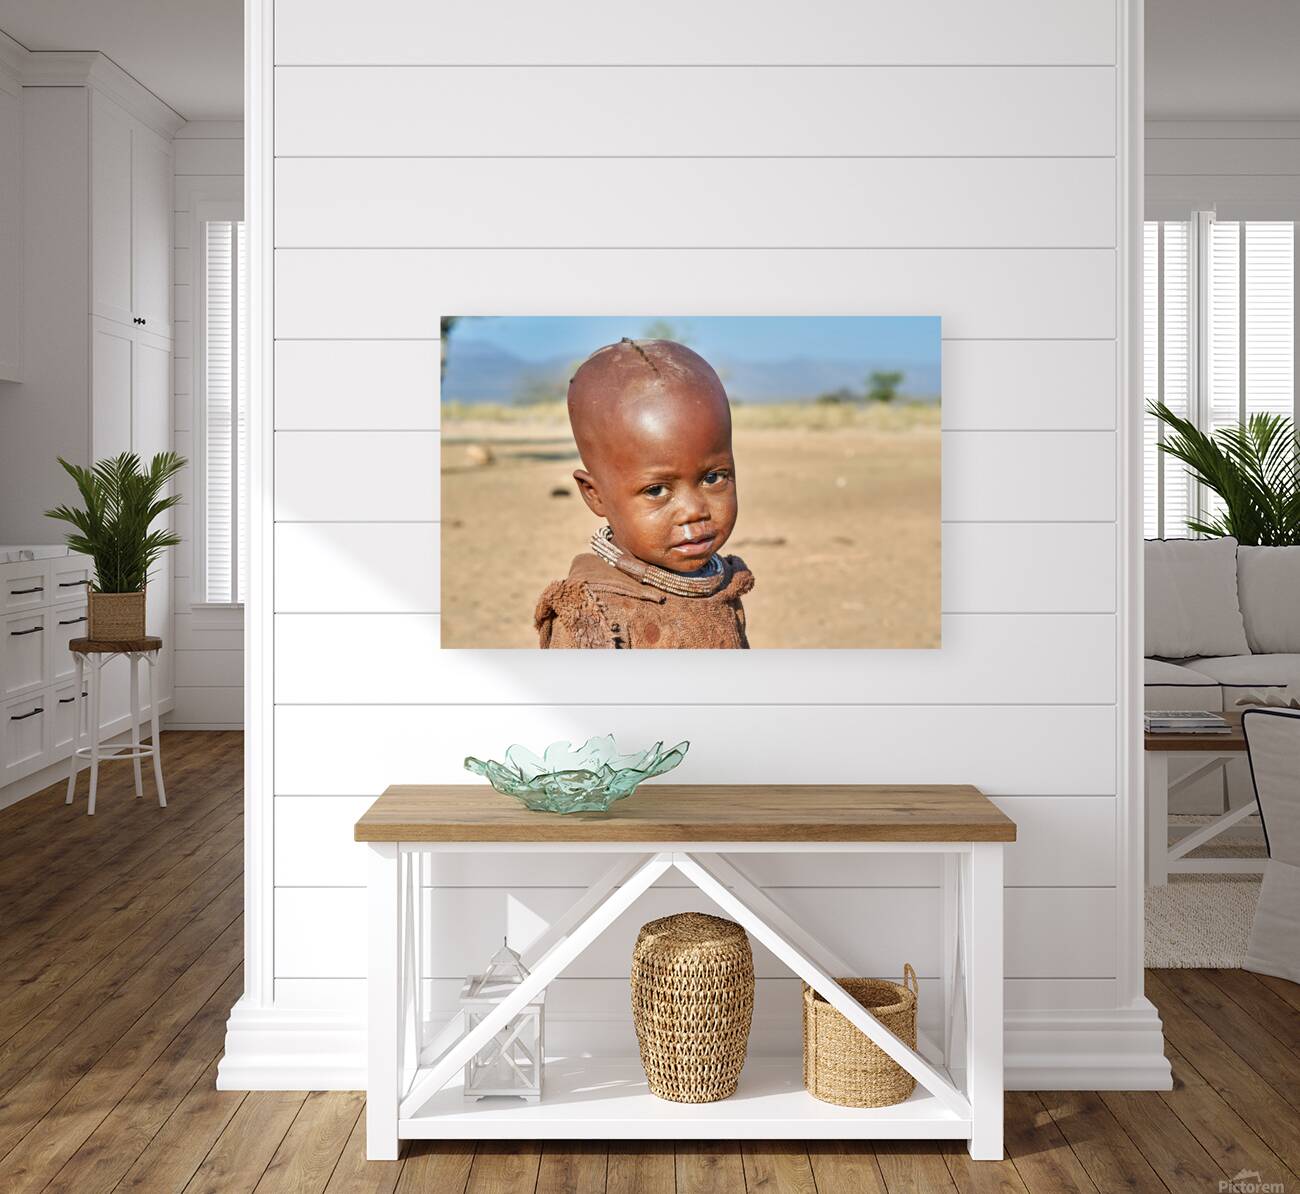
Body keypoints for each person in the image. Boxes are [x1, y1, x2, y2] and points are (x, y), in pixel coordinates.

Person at [535, 338, 754, 648]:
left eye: (713, 477)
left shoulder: (723, 582)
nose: (694, 510)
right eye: (657, 490)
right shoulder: (592, 615)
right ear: (594, 495)